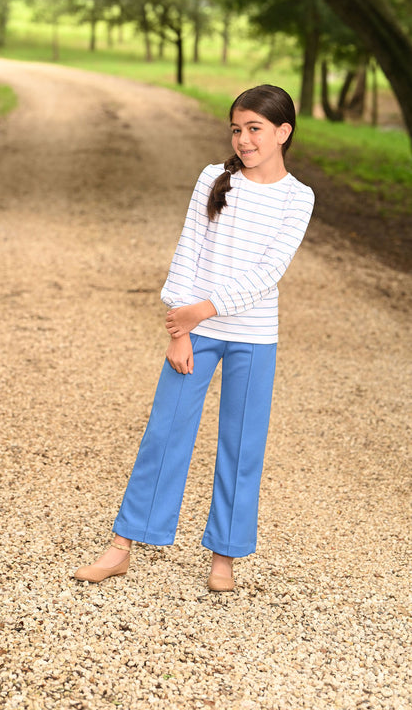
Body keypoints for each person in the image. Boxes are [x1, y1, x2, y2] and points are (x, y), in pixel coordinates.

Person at [74, 84, 315, 591]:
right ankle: (121, 546)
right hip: (195, 331)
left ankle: (223, 559)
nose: (243, 139)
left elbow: (269, 272)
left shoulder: (298, 197)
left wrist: (201, 310)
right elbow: (188, 251)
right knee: (165, 433)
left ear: (283, 132)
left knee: (242, 447)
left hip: (254, 337)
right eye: (236, 129)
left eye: (255, 129)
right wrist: (180, 328)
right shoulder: (213, 178)